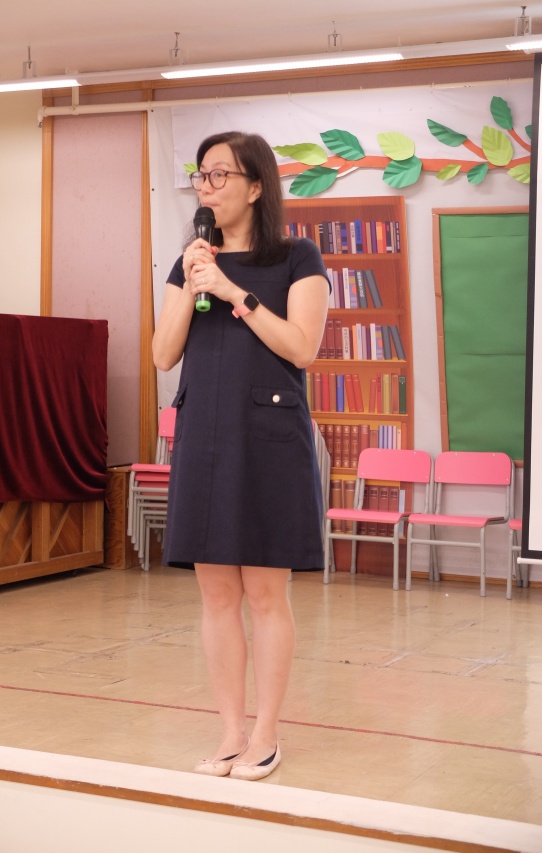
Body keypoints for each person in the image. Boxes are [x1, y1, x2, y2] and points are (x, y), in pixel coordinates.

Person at [152, 131, 329, 781]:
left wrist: (232, 292)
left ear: (256, 186)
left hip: (269, 436)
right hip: (203, 433)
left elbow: (302, 347)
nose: (207, 186)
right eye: (200, 176)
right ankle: (229, 732)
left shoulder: (296, 257)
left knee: (264, 594)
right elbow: (162, 354)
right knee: (216, 593)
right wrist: (192, 275)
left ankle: (266, 734)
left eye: (219, 174)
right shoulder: (192, 261)